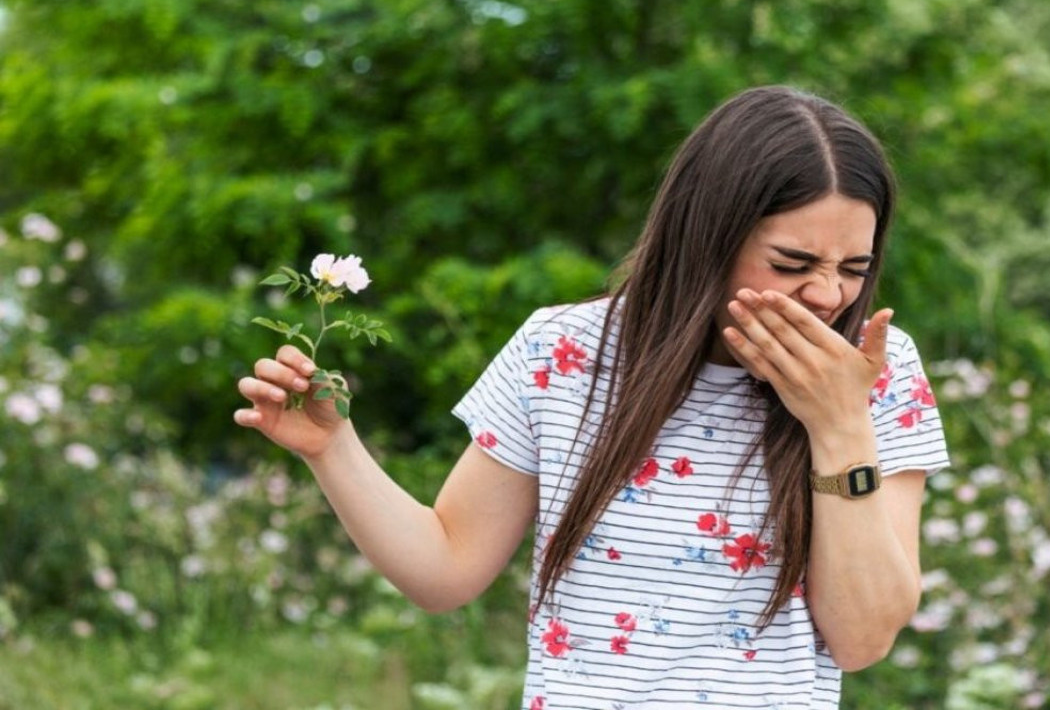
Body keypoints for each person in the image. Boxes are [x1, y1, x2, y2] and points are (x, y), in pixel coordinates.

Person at [234, 85, 948, 709]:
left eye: (854, 267)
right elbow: (445, 570)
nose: (827, 294)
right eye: (792, 263)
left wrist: (839, 426)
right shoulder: (564, 352)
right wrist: (333, 449)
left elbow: (861, 640)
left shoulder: (879, 372)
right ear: (708, 237)